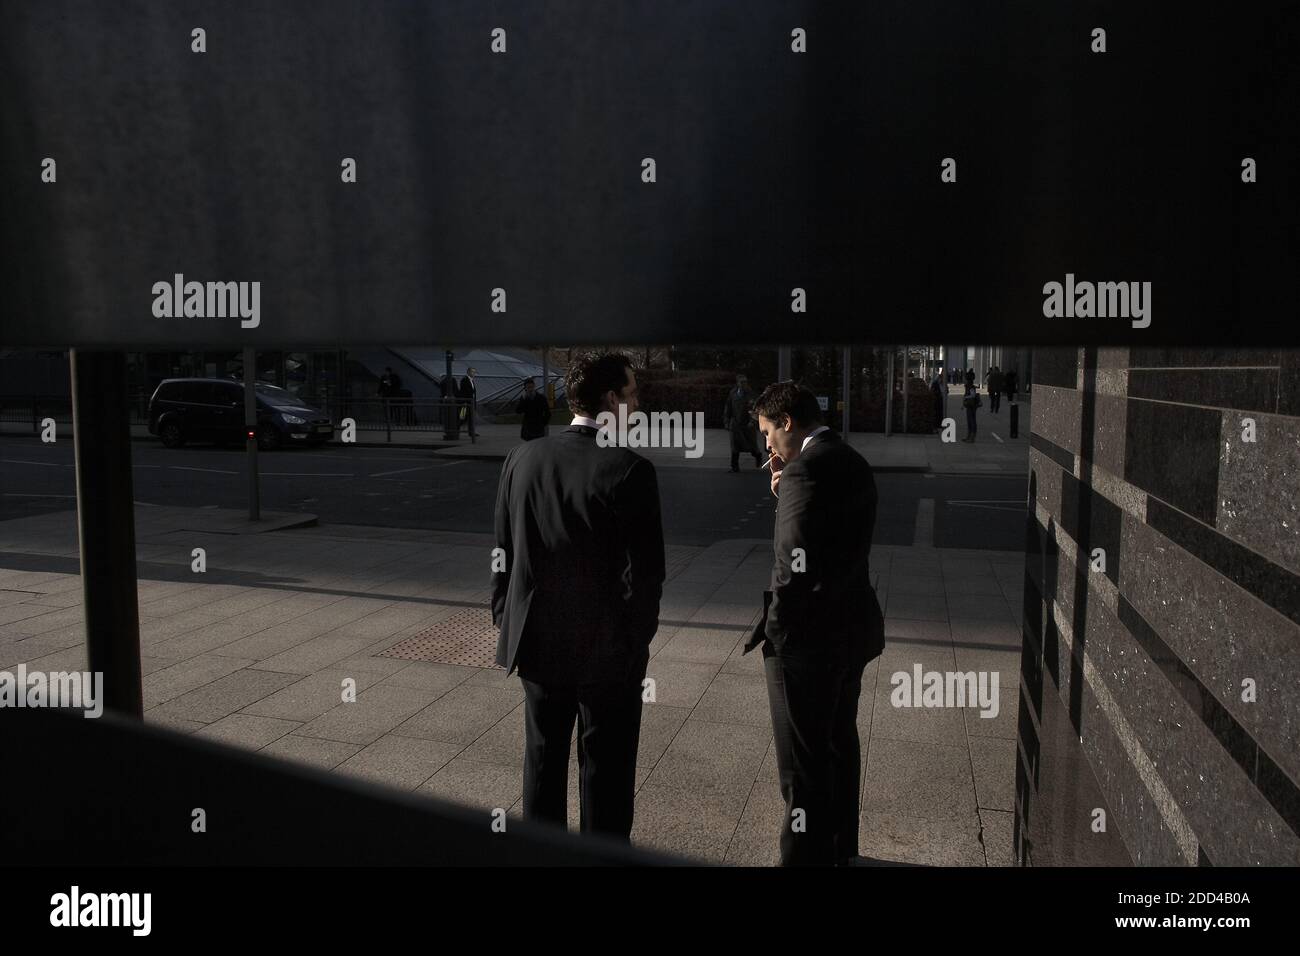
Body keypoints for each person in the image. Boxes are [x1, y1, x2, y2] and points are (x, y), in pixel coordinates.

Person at [492, 352, 665, 842]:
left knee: (542, 761)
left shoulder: (521, 458)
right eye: (632, 394)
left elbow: (503, 551)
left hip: (537, 642)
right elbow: (647, 577)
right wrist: (634, 643)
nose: (637, 404)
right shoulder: (630, 469)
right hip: (606, 652)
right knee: (606, 770)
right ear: (611, 400)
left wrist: (505, 616)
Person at [745, 382, 884, 866]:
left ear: (786, 422)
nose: (765, 445)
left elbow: (792, 569)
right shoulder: (851, 459)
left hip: (809, 641)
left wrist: (777, 635)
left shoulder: (804, 471)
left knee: (801, 768)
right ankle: (841, 849)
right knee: (840, 744)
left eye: (767, 431)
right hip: (853, 628)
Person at [723, 373, 762, 472]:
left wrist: (752, 421)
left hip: (747, 425)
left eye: (745, 382)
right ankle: (734, 467)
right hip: (735, 424)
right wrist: (727, 422)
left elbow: (755, 409)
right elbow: (728, 408)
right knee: (734, 447)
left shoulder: (750, 393)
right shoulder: (733, 393)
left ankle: (758, 456)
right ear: (738, 383)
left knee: (752, 446)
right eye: (742, 382)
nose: (744, 384)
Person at [515, 376, 552, 441]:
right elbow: (518, 411)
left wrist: (543, 423)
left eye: (532, 387)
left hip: (538, 427)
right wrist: (523, 400)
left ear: (534, 387)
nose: (530, 389)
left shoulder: (541, 398)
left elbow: (548, 412)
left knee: (538, 445)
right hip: (528, 428)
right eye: (528, 387)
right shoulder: (524, 398)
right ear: (525, 388)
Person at [459, 367, 479, 442]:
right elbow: (463, 392)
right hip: (466, 403)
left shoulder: (471, 380)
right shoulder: (464, 380)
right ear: (468, 372)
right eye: (472, 372)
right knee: (463, 417)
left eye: (474, 372)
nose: (474, 373)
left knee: (470, 418)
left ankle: (471, 432)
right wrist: (464, 401)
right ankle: (455, 429)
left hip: (471, 402)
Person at [929, 368, 947, 433]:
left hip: (941, 399)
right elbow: (932, 390)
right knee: (936, 414)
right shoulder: (935, 382)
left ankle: (939, 426)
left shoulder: (943, 383)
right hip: (936, 400)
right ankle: (935, 427)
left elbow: (946, 391)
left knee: (940, 414)